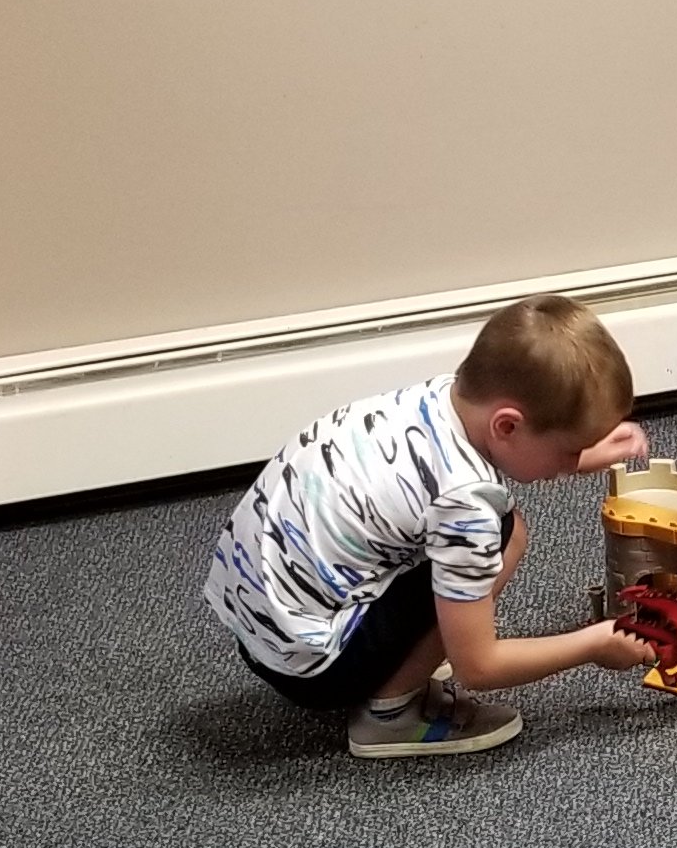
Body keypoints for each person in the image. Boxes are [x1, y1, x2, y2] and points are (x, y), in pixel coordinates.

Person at [204, 292, 654, 761]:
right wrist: (594, 644)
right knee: (504, 533)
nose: (570, 463)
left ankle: (389, 662)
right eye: (568, 450)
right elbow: (478, 667)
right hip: (314, 668)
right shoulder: (466, 503)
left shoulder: (435, 401)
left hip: (262, 629)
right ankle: (389, 715)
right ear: (507, 426)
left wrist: (578, 455)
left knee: (490, 530)